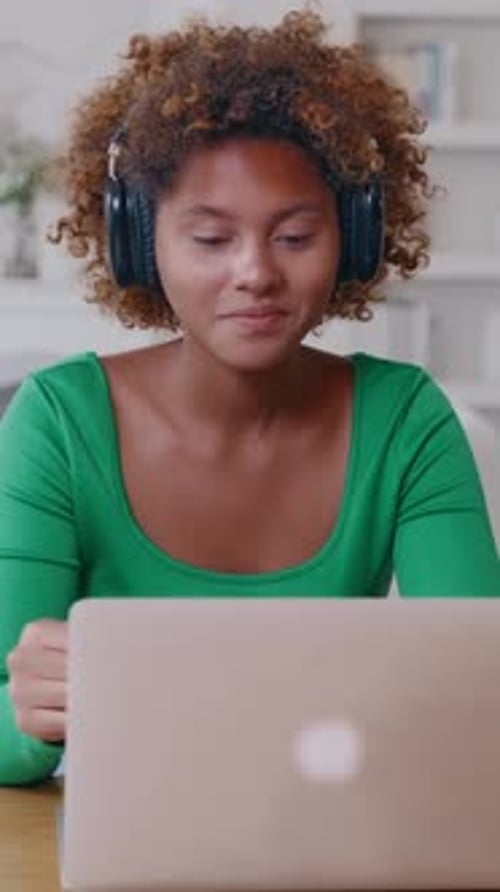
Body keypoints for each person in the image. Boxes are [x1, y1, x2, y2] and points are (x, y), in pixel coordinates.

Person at [1, 8, 499, 787]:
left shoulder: (406, 420)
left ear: (354, 241)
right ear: (139, 244)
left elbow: (483, 702)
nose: (256, 273)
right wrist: (29, 721)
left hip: (332, 818)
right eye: (209, 239)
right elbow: (2, 716)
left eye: (295, 237)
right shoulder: (57, 422)